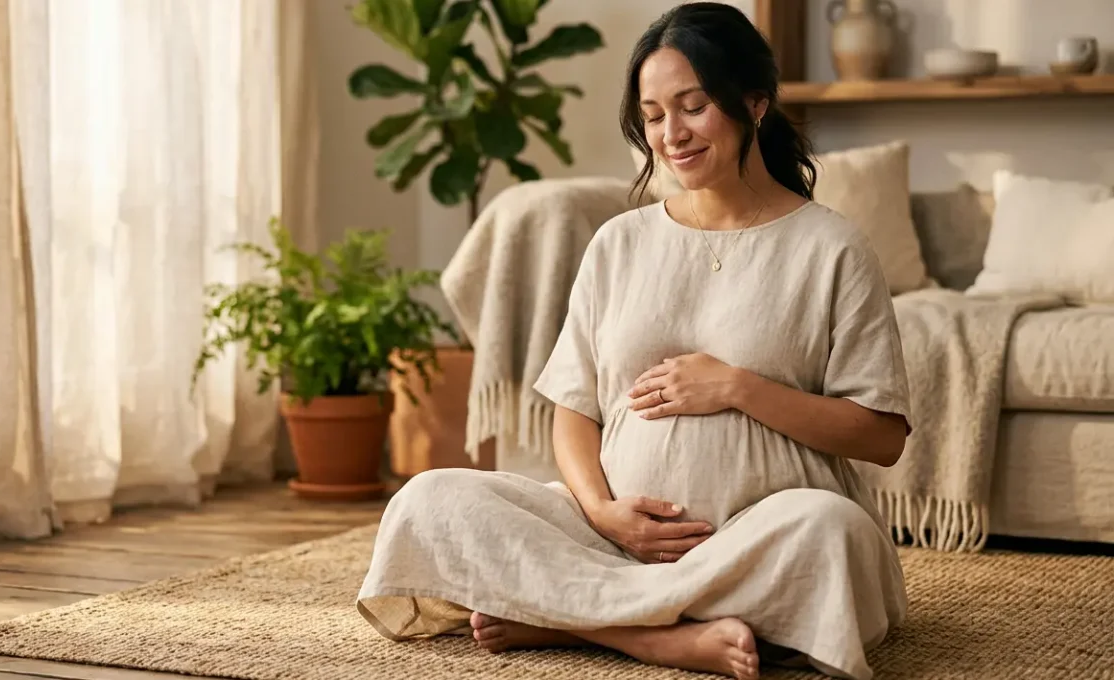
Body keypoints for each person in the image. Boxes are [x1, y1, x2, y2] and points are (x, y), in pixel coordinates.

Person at [355, 4, 912, 679]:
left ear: (755, 103)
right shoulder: (619, 243)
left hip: (754, 539)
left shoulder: (832, 248)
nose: (671, 134)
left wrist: (737, 387)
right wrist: (604, 513)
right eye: (652, 116)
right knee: (427, 500)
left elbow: (880, 436)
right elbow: (574, 408)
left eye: (693, 106)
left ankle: (573, 617)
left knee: (834, 535)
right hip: (607, 539)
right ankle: (652, 632)